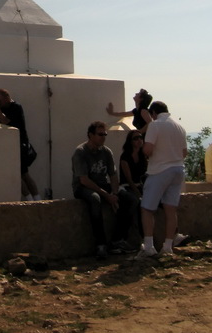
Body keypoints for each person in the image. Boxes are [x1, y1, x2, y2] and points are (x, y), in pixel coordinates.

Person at [72, 121, 138, 259]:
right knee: (95, 200)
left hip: (104, 185)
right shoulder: (81, 152)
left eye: (105, 134)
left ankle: (117, 240)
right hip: (84, 187)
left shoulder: (106, 152)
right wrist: (107, 196)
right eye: (100, 134)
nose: (103, 137)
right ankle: (100, 244)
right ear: (91, 135)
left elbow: (113, 175)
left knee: (130, 199)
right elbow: (84, 180)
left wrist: (114, 193)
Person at [138, 101, 188, 258]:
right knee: (170, 209)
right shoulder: (180, 127)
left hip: (160, 169)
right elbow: (184, 152)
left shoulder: (155, 125)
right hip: (178, 169)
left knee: (147, 208)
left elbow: (148, 149)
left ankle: (149, 246)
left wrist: (145, 151)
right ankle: (167, 246)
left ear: (153, 113)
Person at [0, 88, 40, 201]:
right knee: (23, 174)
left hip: (20, 145)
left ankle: (32, 199)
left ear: (7, 98)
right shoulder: (0, 108)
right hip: (10, 146)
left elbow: (5, 121)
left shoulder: (16, 107)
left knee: (20, 174)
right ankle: (34, 199)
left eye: (0, 100)